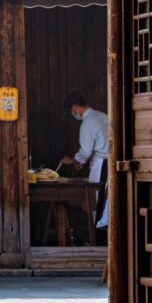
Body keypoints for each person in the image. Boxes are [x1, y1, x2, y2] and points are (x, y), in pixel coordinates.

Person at [60, 91, 108, 231]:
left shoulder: (87, 123)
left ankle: (99, 235)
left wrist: (74, 160)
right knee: (108, 200)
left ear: (75, 107)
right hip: (109, 162)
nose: (72, 113)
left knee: (97, 200)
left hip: (101, 165)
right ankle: (105, 234)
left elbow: (86, 152)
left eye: (71, 110)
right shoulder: (103, 116)